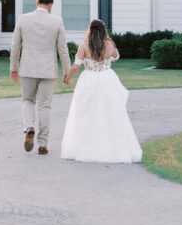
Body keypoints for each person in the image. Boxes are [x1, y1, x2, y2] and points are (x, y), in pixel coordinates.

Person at [61, 19, 142, 163]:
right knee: (110, 112)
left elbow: (76, 66)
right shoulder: (109, 44)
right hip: (107, 79)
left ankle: (86, 146)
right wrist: (109, 42)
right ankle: (112, 147)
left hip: (89, 80)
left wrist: (68, 78)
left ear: (90, 30)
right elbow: (116, 57)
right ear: (104, 30)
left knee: (86, 113)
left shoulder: (85, 45)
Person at [10, 0, 71, 155]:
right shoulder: (57, 22)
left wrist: (13, 68)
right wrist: (68, 71)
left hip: (27, 68)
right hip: (48, 70)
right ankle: (43, 144)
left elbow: (15, 46)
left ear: (37, 3)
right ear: (50, 5)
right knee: (45, 106)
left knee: (28, 100)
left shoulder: (23, 19)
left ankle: (29, 126)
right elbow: (63, 49)